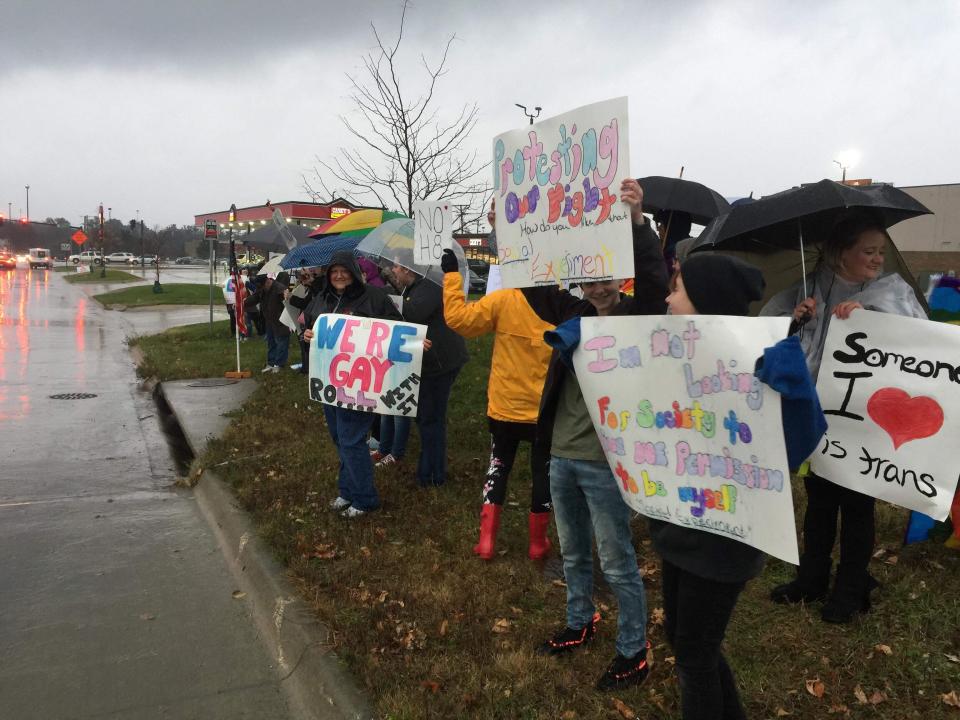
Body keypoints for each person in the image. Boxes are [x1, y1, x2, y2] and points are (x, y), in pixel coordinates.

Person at [653, 253, 825, 719]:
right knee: (684, 640)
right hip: (679, 522)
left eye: (678, 290)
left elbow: (801, 441)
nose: (668, 298)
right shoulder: (672, 351)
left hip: (727, 533)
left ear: (706, 301)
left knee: (694, 654)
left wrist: (792, 388)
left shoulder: (759, 362)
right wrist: (584, 346)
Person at [524, 178, 667, 691]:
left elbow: (654, 279)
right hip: (560, 455)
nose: (599, 288)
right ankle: (580, 620)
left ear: (618, 278)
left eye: (606, 278)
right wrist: (512, 231)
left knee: (617, 558)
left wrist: (636, 223)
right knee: (574, 550)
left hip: (607, 461)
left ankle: (634, 648)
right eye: (589, 281)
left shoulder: (638, 319)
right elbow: (534, 288)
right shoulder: (575, 313)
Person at [761, 214, 927, 623]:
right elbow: (771, 332)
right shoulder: (809, 285)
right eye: (867, 251)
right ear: (841, 252)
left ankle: (851, 589)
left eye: (880, 252)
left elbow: (918, 342)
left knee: (856, 505)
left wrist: (870, 315)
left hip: (866, 418)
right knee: (818, 501)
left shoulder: (891, 290)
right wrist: (796, 318)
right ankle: (811, 579)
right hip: (821, 411)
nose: (876, 259)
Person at [440, 205, 555, 561]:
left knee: (498, 466)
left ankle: (486, 540)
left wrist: (451, 277)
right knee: (542, 474)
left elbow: (459, 319)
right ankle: (538, 544)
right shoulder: (564, 306)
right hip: (543, 411)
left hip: (504, 407)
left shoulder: (505, 300)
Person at [303, 251, 403, 518]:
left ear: (353, 272)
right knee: (340, 438)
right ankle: (347, 490)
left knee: (351, 439)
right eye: (334, 271)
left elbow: (396, 328)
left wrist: (415, 344)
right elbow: (309, 329)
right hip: (329, 380)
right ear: (328, 274)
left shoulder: (373, 296)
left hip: (360, 383)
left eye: (344, 270)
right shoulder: (321, 299)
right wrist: (307, 334)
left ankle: (365, 499)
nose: (339, 275)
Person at [391, 261, 468, 487]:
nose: (393, 271)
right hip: (432, 362)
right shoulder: (415, 288)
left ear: (406, 269)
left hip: (439, 364)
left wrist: (391, 302)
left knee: (431, 419)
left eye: (396, 267)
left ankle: (432, 475)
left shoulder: (430, 288)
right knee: (426, 417)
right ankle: (430, 471)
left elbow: (413, 314)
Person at [244, 271, 291, 373]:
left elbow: (289, 301)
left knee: (281, 342)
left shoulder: (280, 288)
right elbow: (255, 298)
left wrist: (287, 296)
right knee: (271, 343)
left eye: (262, 286)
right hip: (269, 321)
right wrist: (243, 303)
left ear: (268, 281)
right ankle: (271, 363)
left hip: (281, 321)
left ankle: (279, 364)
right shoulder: (262, 290)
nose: (261, 289)